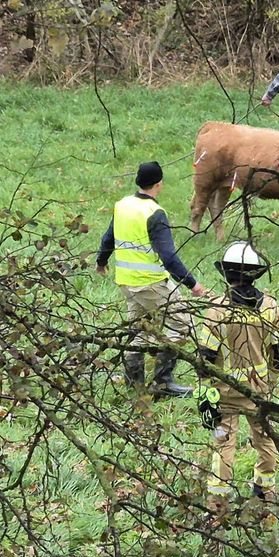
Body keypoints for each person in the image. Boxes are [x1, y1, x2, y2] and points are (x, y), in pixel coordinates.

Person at [96, 161, 208, 397]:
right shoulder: (155, 213)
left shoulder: (123, 205)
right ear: (159, 184)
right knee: (183, 325)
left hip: (127, 282)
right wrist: (193, 284)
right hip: (151, 283)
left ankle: (133, 383)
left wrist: (101, 262)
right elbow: (168, 257)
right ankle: (163, 383)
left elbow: (109, 238)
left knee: (137, 331)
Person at [193, 241, 279, 513]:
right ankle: (266, 493)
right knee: (266, 440)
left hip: (225, 393)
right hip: (260, 393)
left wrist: (205, 395)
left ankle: (218, 502)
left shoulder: (218, 310)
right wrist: (269, 384)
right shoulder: (270, 307)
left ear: (226, 274)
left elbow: (205, 358)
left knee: (223, 443)